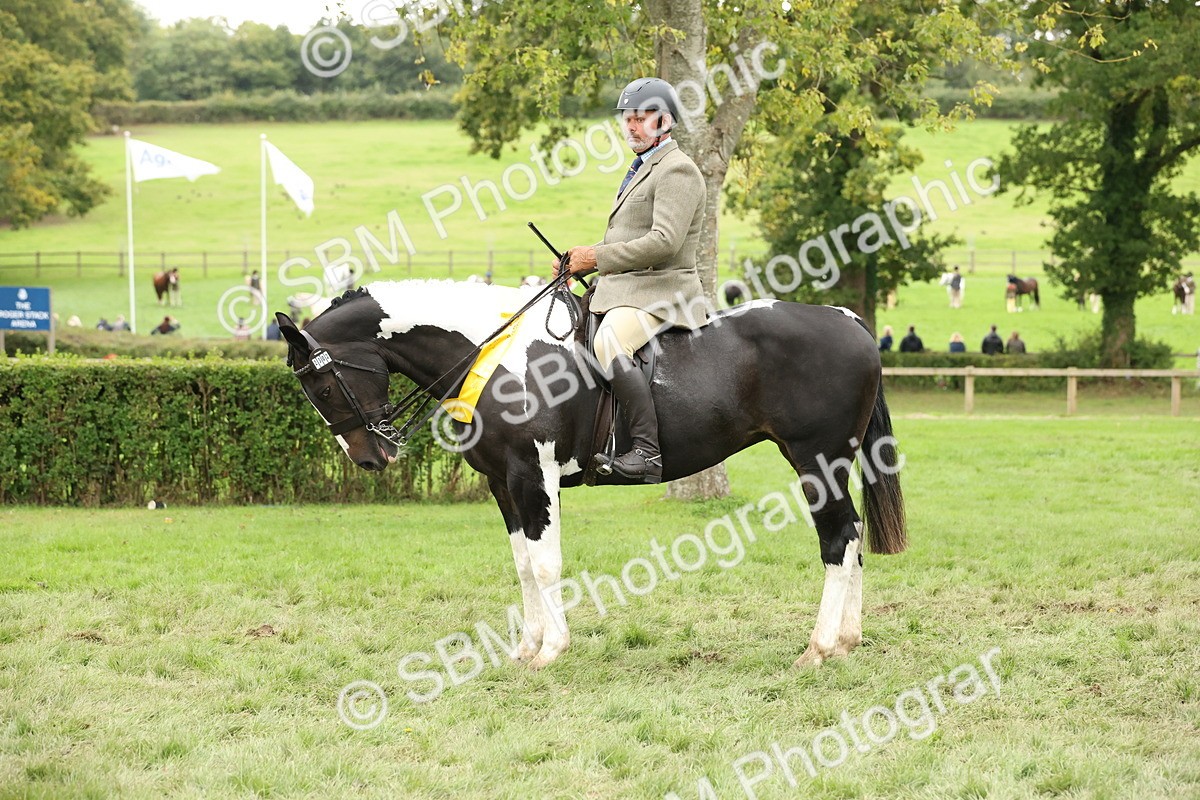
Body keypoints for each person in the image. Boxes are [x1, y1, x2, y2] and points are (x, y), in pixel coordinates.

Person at [555, 77, 707, 483]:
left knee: (610, 341)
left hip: (665, 290)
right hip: (629, 286)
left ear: (666, 121)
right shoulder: (642, 167)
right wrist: (580, 261)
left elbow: (664, 242)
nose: (632, 126)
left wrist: (598, 257)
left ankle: (646, 452)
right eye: (628, 118)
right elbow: (627, 237)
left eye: (642, 118)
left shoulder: (678, 170)